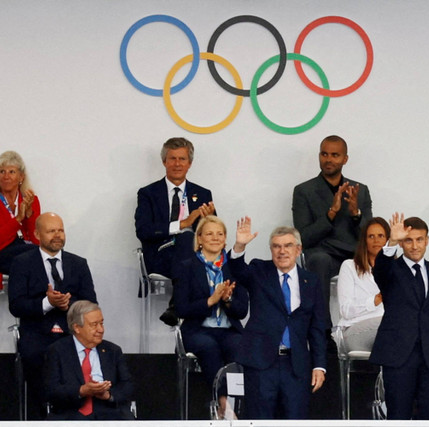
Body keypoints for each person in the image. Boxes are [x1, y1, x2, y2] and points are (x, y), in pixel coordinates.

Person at [229, 217, 326, 419]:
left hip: (297, 365)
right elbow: (237, 271)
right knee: (259, 420)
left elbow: (317, 327)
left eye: (288, 246)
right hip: (262, 363)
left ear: (298, 250)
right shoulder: (259, 271)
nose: (282, 251)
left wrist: (319, 365)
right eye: (276, 246)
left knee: (295, 420)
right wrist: (239, 246)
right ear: (271, 250)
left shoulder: (311, 281)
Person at [370, 213, 429, 420]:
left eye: (419, 239)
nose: (414, 246)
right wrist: (391, 241)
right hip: (399, 358)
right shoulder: (391, 270)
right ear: (402, 243)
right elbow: (380, 270)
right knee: (398, 417)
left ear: (427, 240)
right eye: (408, 240)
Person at [8, 212, 97, 420]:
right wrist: (48, 303)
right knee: (38, 356)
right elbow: (16, 305)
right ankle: (42, 416)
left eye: (60, 230)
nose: (57, 235)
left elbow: (91, 303)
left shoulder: (78, 263)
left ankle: (77, 415)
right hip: (37, 331)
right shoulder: (21, 263)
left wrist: (68, 305)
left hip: (71, 332)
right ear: (38, 234)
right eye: (51, 231)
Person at [292, 135, 373, 328]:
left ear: (345, 159)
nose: (329, 159)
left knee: (385, 260)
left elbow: (370, 237)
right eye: (324, 154)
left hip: (354, 256)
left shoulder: (360, 190)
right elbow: (303, 238)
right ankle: (323, 329)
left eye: (335, 155)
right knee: (320, 260)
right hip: (323, 255)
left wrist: (355, 213)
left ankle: (372, 328)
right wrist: (332, 213)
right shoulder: (304, 190)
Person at [172, 215, 248, 417]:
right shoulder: (185, 266)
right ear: (200, 239)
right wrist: (210, 301)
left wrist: (228, 299)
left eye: (220, 234)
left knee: (239, 346)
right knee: (209, 346)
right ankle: (224, 403)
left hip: (228, 329)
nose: (215, 238)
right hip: (197, 330)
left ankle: (234, 401)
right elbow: (181, 309)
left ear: (225, 239)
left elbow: (242, 311)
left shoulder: (234, 268)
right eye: (209, 234)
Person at [135, 137, 215, 325]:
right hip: (161, 256)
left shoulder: (203, 194)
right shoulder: (148, 193)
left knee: (190, 241)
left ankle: (176, 305)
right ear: (164, 162)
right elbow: (143, 230)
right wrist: (183, 223)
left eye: (182, 159)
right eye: (172, 159)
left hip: (195, 257)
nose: (177, 164)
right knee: (186, 237)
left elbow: (213, 234)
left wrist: (207, 220)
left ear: (190, 163)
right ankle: (181, 306)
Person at [44, 301, 134, 420]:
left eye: (101, 323)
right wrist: (81, 391)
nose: (101, 329)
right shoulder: (57, 351)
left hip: (109, 413)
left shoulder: (113, 351)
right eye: (94, 324)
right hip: (70, 414)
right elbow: (51, 391)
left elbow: (128, 386)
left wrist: (108, 395)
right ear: (77, 327)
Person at [0, 150, 40, 289]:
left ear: (21, 177)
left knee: (54, 257)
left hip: (27, 251)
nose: (6, 176)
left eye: (12, 172)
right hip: (0, 255)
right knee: (41, 258)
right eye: (2, 171)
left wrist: (29, 214)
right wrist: (18, 218)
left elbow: (37, 239)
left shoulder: (31, 200)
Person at [336, 217, 388, 352]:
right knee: (393, 323)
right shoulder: (349, 266)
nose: (376, 240)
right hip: (354, 331)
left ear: (388, 239)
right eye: (371, 236)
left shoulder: (396, 268)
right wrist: (375, 300)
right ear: (364, 241)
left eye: (381, 236)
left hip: (388, 331)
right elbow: (345, 310)